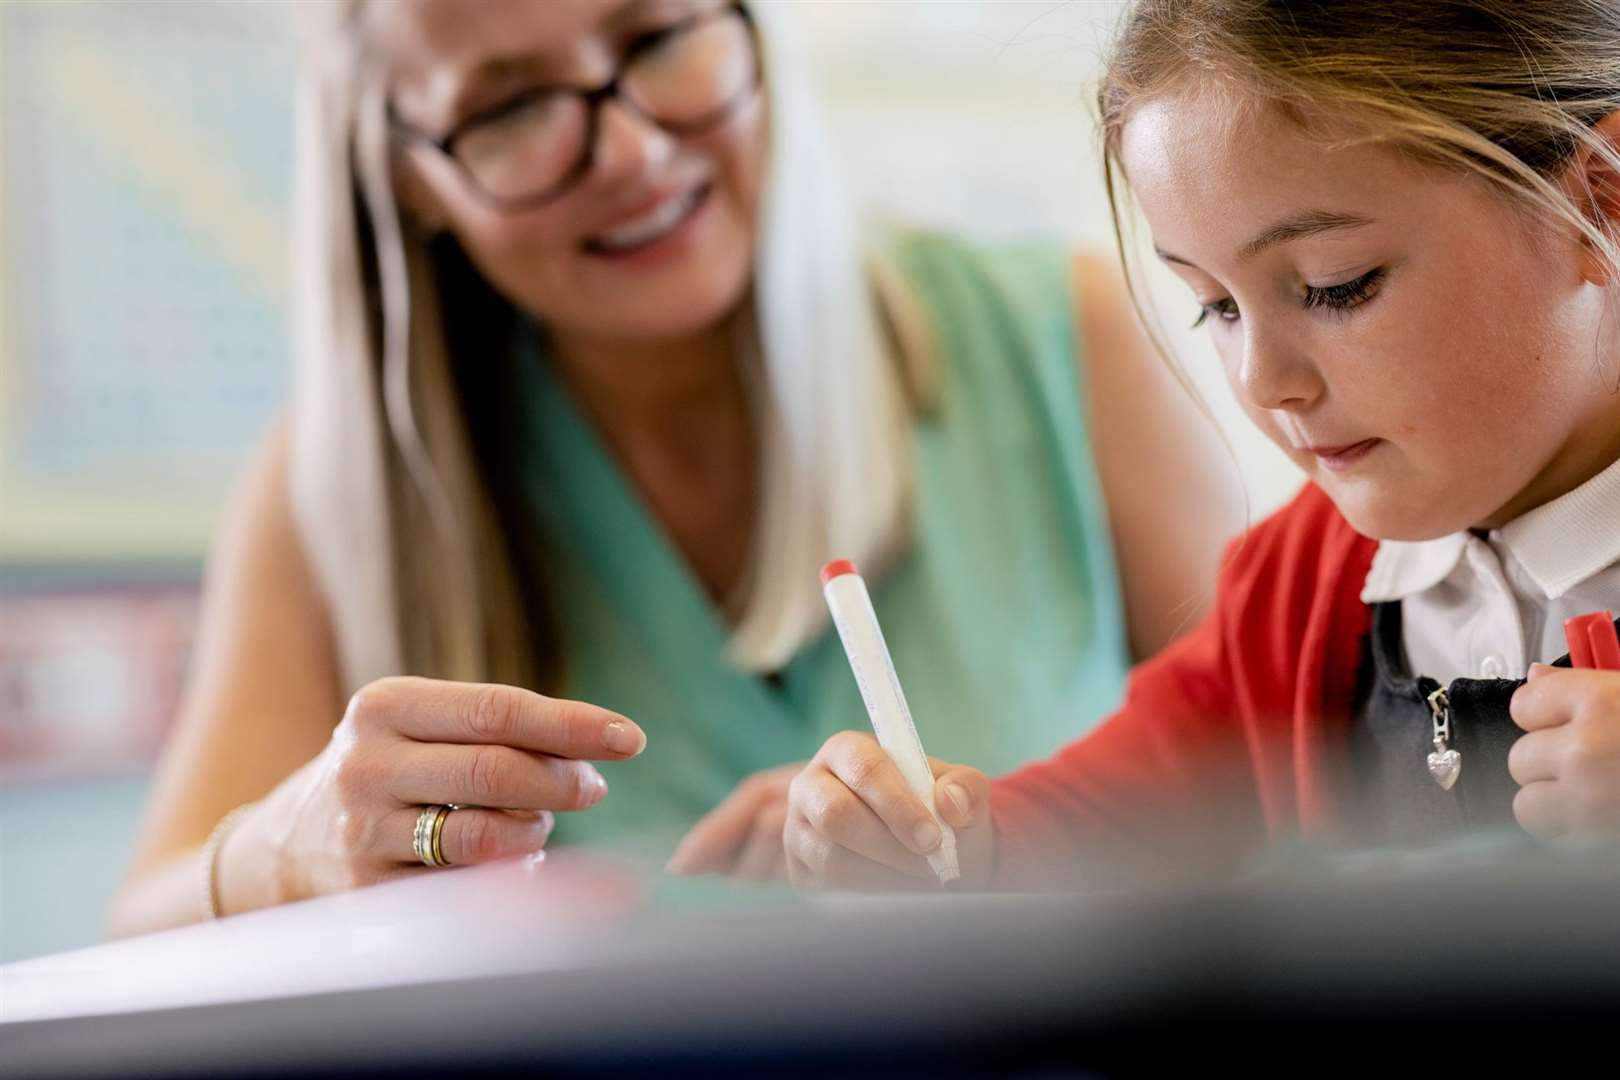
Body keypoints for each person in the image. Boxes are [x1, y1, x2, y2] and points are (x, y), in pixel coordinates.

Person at [107, 0, 1236, 935]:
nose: (633, 149)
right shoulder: (338, 492)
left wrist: (1011, 852)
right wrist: (285, 853)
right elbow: (133, 956)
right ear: (406, 175)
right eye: (512, 108)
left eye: (657, 40)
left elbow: (1296, 813)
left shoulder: (1066, 344)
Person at [782, 0, 1620, 891]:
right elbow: (1100, 822)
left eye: (1337, 286)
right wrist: (934, 840)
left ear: (1599, 197)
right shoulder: (1300, 586)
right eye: (1215, 305)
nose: (1262, 381)